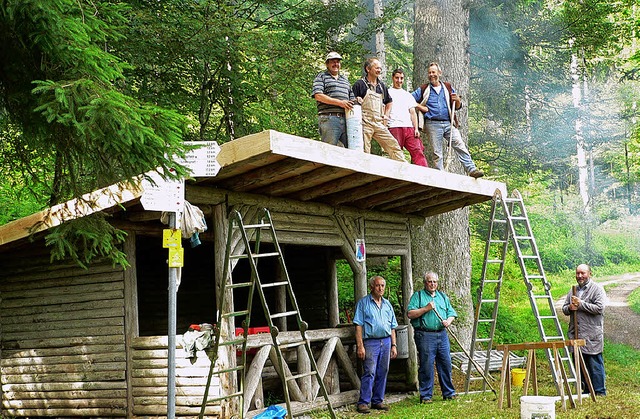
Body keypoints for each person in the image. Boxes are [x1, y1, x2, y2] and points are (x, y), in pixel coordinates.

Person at [412, 62, 484, 178]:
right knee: (437, 152)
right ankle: (440, 175)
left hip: (448, 123)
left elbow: (458, 105)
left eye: (433, 72)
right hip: (432, 123)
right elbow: (409, 99)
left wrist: (458, 101)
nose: (431, 75)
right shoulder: (424, 89)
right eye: (429, 73)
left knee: (460, 145)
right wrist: (421, 107)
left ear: (439, 73)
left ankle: (471, 169)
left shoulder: (447, 87)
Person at [407, 272, 457, 403]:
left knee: (446, 363)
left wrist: (448, 321)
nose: (432, 284)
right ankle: (426, 395)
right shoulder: (418, 296)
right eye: (430, 281)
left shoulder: (442, 297)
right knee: (427, 365)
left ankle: (449, 393)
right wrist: (426, 308)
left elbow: (451, 313)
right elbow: (410, 314)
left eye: (434, 282)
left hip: (442, 334)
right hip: (425, 335)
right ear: (425, 283)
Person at [353, 275, 398, 414]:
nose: (380, 288)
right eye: (378, 285)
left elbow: (392, 326)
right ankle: (364, 402)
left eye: (383, 286)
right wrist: (360, 346)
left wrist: (394, 345)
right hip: (370, 342)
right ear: (371, 287)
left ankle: (378, 400)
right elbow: (358, 326)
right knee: (369, 371)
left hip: (386, 341)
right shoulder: (363, 303)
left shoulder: (387, 304)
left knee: (383, 371)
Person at [561, 264, 607, 396]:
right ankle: (586, 390)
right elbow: (564, 308)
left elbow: (600, 308)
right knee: (579, 363)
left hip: (591, 334)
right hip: (576, 334)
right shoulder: (573, 290)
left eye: (583, 273)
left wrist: (581, 304)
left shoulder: (597, 289)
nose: (580, 276)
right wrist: (570, 307)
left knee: (594, 363)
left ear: (590, 274)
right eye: (578, 273)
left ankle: (599, 391)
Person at [352, 58, 406, 162]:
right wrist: (356, 100)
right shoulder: (360, 84)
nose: (379, 70)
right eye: (377, 68)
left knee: (393, 145)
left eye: (380, 68)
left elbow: (389, 101)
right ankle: (364, 173)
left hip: (379, 122)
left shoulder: (382, 86)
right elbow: (350, 101)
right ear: (368, 69)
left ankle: (404, 170)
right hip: (364, 122)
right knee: (364, 149)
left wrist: (386, 116)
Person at [312, 51, 355, 147]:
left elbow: (352, 98)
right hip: (329, 118)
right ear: (327, 64)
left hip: (347, 119)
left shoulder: (345, 80)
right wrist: (340, 103)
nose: (336, 64)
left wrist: (358, 101)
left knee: (349, 149)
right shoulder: (321, 76)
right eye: (333, 62)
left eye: (338, 62)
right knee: (329, 149)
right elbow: (318, 95)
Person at [387, 68, 428, 167]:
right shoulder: (388, 92)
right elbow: (385, 110)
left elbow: (412, 112)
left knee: (417, 150)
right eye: (397, 78)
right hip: (394, 126)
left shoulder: (407, 95)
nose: (399, 81)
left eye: (401, 78)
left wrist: (416, 128)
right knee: (396, 153)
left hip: (409, 127)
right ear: (393, 78)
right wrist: (385, 126)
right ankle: (397, 177)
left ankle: (424, 173)